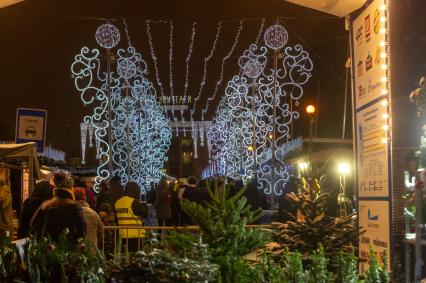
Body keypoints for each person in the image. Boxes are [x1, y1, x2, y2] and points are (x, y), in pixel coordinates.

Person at [30, 173, 87, 249]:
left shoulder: (45, 205)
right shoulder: (74, 206)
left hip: (48, 250)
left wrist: (41, 241)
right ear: (70, 189)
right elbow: (82, 228)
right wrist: (76, 243)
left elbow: (34, 226)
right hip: (69, 251)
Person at [115, 181, 149, 251]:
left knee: (125, 257)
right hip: (135, 235)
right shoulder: (133, 202)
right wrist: (143, 204)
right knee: (135, 258)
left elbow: (116, 219)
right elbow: (145, 213)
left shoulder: (118, 202)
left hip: (122, 235)